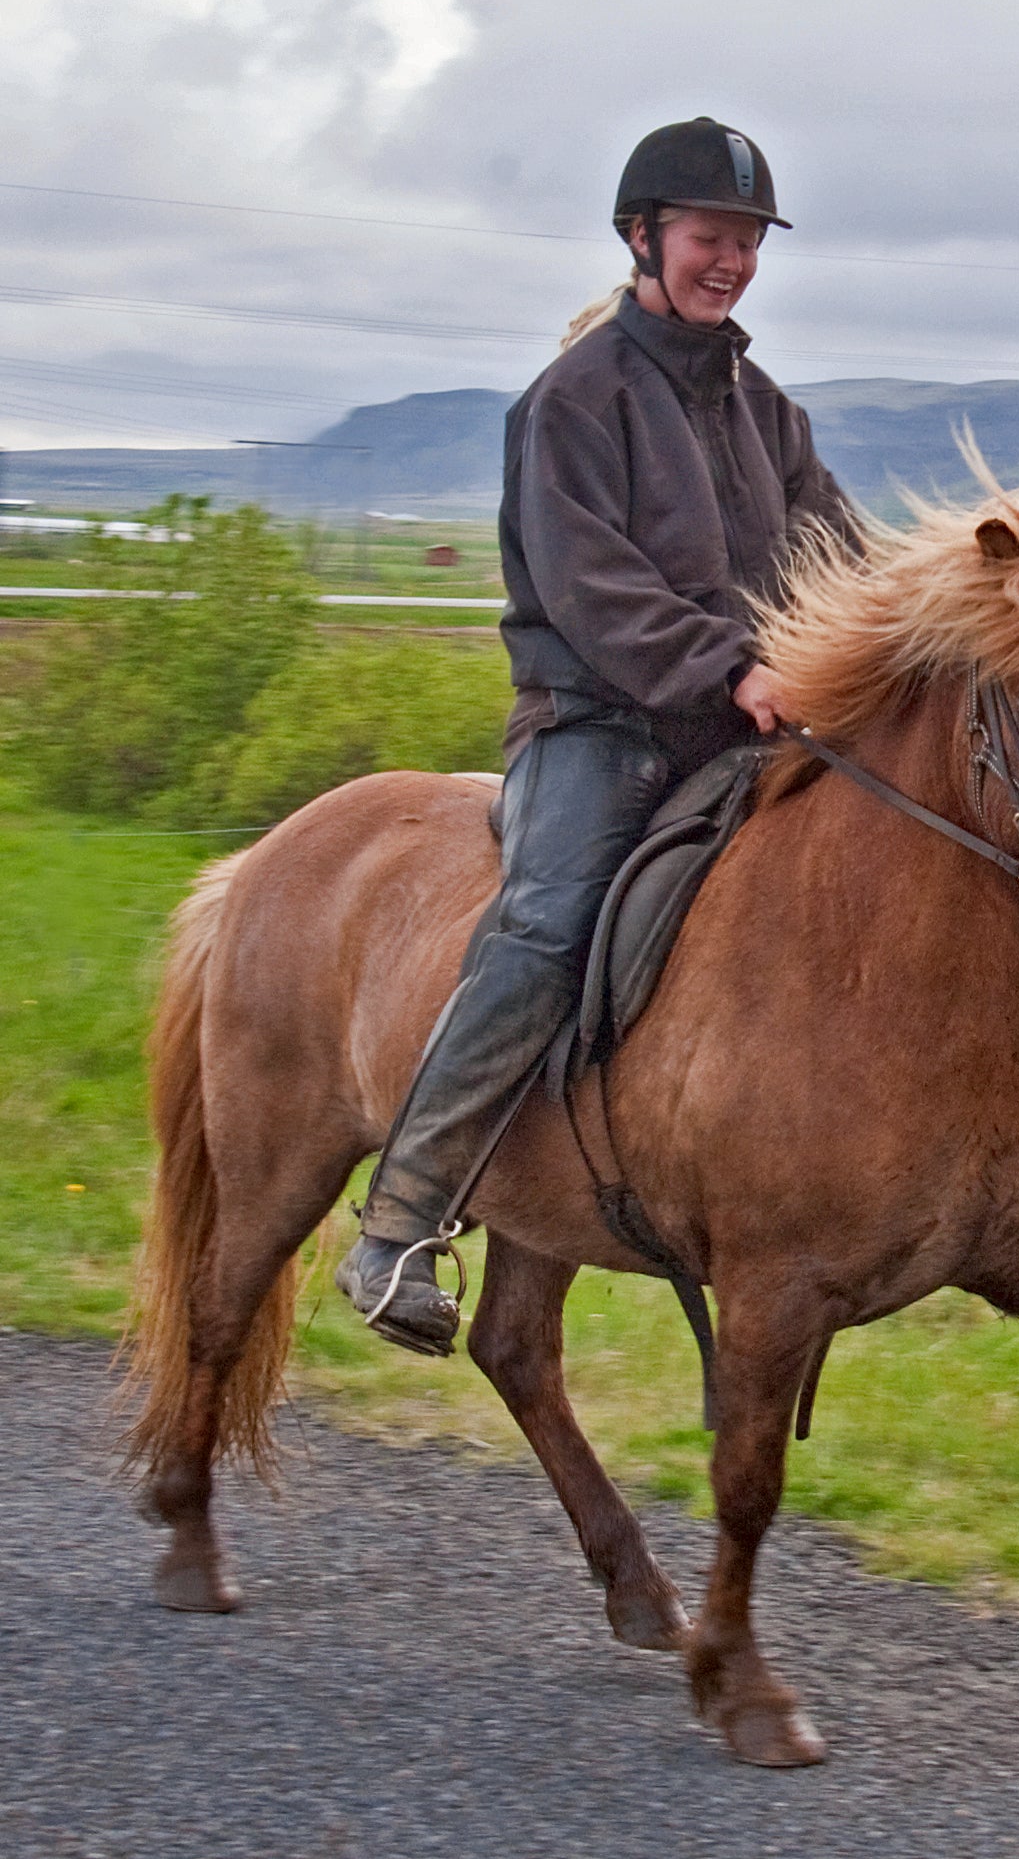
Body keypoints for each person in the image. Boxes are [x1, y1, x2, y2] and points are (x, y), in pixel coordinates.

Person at [334, 116, 862, 1355]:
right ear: (642, 237)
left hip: (735, 731)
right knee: (543, 926)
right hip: (600, 727)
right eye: (706, 238)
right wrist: (732, 667)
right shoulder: (569, 403)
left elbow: (835, 547)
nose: (727, 261)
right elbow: (593, 589)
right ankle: (402, 1219)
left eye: (744, 242)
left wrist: (900, 642)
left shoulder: (761, 406)